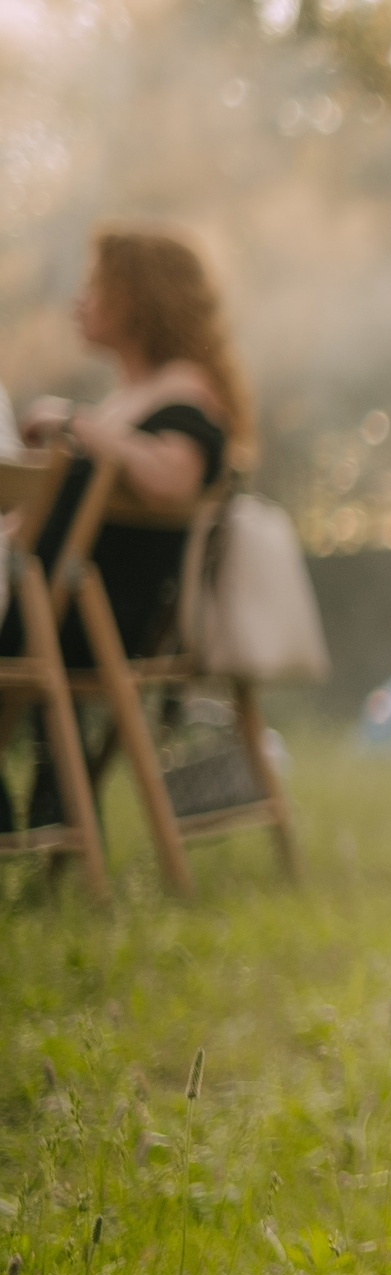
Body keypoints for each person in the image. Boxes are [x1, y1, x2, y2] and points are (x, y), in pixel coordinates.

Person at [1, 226, 253, 833]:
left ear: (138, 301)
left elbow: (172, 478)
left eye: (95, 286)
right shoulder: (131, 402)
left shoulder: (184, 394)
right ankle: (33, 820)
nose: (79, 301)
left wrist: (79, 425)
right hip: (64, 615)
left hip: (84, 621)